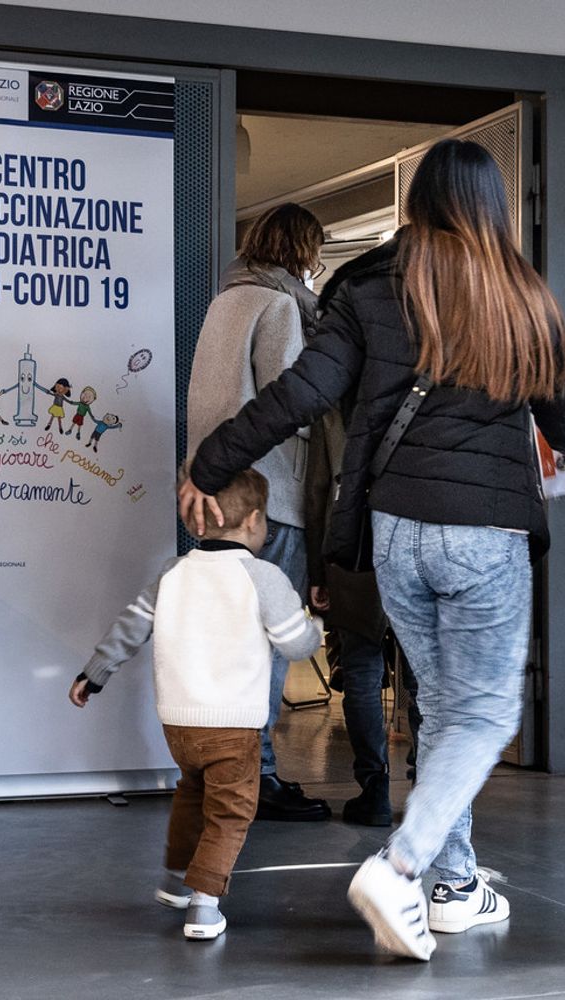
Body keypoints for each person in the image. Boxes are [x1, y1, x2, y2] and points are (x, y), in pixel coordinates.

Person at [180, 139, 565, 961]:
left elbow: (300, 393)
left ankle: (455, 883)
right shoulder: (526, 298)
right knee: (483, 711)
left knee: (443, 709)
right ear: (494, 206)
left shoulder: (372, 288)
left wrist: (209, 464)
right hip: (485, 536)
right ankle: (402, 866)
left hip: (396, 529)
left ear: (417, 204)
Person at [69, 468, 323, 941]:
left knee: (192, 794)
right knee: (230, 811)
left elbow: (131, 626)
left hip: (179, 725)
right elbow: (294, 644)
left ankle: (174, 883)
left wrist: (94, 673)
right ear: (253, 521)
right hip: (232, 726)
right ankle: (205, 906)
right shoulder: (262, 576)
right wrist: (314, 631)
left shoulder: (173, 572)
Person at [186, 202, 331, 822]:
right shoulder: (279, 307)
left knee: (226, 637)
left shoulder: (225, 301)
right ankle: (260, 777)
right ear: (303, 249)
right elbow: (290, 402)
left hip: (214, 486)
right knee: (266, 639)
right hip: (267, 497)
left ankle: (221, 773)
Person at [300, 275, 394, 828]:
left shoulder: (332, 392)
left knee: (359, 669)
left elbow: (316, 489)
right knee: (427, 675)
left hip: (352, 539)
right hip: (415, 535)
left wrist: (318, 570)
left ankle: (375, 790)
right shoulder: (415, 375)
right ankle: (433, 797)